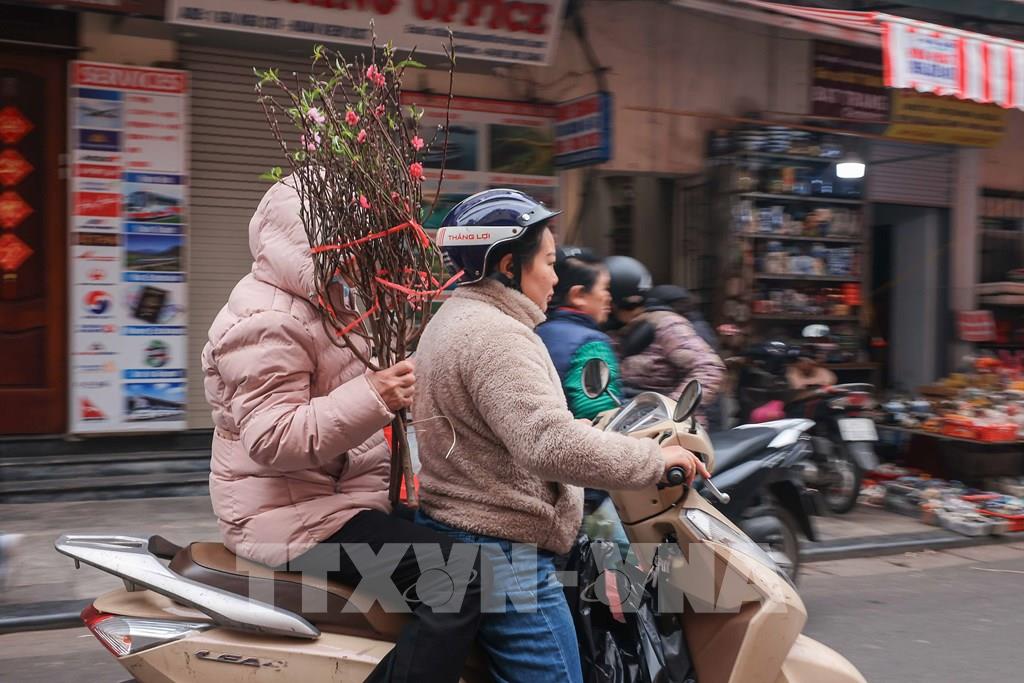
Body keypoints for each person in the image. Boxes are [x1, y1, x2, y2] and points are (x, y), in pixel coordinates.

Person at [412, 189, 708, 683]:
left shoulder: (457, 319)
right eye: (549, 263)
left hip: (471, 532)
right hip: (503, 549)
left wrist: (587, 431)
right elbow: (546, 443)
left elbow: (505, 430)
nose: (555, 277)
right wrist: (653, 461)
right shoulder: (496, 336)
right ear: (510, 265)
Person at [201, 177, 483, 683]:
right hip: (292, 517)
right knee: (460, 576)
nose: (367, 251)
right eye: (357, 235)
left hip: (334, 500)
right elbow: (272, 439)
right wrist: (376, 395)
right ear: (315, 237)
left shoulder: (327, 302)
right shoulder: (268, 320)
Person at [606, 256, 727, 419]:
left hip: (669, 428)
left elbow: (709, 368)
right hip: (629, 423)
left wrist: (670, 410)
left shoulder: (666, 325)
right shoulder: (614, 332)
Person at [646, 283, 726, 429]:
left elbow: (709, 372)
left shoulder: (684, 330)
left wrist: (673, 408)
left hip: (693, 415)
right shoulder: (690, 325)